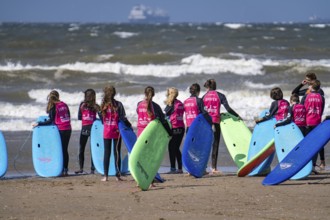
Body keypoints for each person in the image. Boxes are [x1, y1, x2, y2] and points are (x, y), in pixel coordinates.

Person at [202, 79, 241, 174]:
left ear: (207, 87)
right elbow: (228, 109)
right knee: (215, 144)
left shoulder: (203, 97)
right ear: (215, 86)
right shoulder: (220, 95)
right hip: (215, 122)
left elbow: (201, 110)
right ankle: (214, 168)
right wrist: (237, 116)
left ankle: (203, 168)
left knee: (205, 145)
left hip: (206, 123)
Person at [136, 86, 172, 187]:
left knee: (141, 157)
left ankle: (139, 180)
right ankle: (150, 181)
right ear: (154, 94)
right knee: (150, 158)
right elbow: (163, 121)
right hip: (150, 135)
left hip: (140, 133)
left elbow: (138, 113)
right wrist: (169, 133)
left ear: (144, 93)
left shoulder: (139, 104)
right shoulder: (155, 106)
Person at [33, 90, 72, 176]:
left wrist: (39, 124)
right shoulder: (64, 104)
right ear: (58, 96)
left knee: (59, 150)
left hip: (60, 130)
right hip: (68, 128)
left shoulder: (53, 106)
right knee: (64, 149)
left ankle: (59, 169)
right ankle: (65, 169)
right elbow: (68, 116)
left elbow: (50, 121)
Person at [99, 85, 131, 182]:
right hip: (117, 131)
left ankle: (105, 176)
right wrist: (129, 126)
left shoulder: (103, 105)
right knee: (117, 153)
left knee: (106, 153)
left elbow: (101, 119)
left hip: (107, 131)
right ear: (114, 93)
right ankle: (117, 176)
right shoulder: (119, 104)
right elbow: (123, 118)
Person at [301, 80, 325, 172]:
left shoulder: (306, 96)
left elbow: (302, 109)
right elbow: (321, 110)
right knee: (315, 145)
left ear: (311, 87)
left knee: (307, 145)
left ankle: (306, 166)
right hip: (317, 123)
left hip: (307, 122)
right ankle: (313, 166)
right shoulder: (321, 97)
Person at [75, 89, 100, 175]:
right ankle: (92, 169)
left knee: (82, 148)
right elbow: (101, 117)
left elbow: (79, 117)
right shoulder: (96, 106)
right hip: (93, 129)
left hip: (85, 128)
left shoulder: (82, 105)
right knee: (93, 149)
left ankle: (81, 168)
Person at [164, 87, 185, 174]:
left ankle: (173, 169)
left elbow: (165, 116)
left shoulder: (171, 104)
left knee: (171, 148)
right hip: (181, 128)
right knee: (176, 148)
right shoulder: (180, 103)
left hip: (174, 128)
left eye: (168, 93)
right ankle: (180, 168)